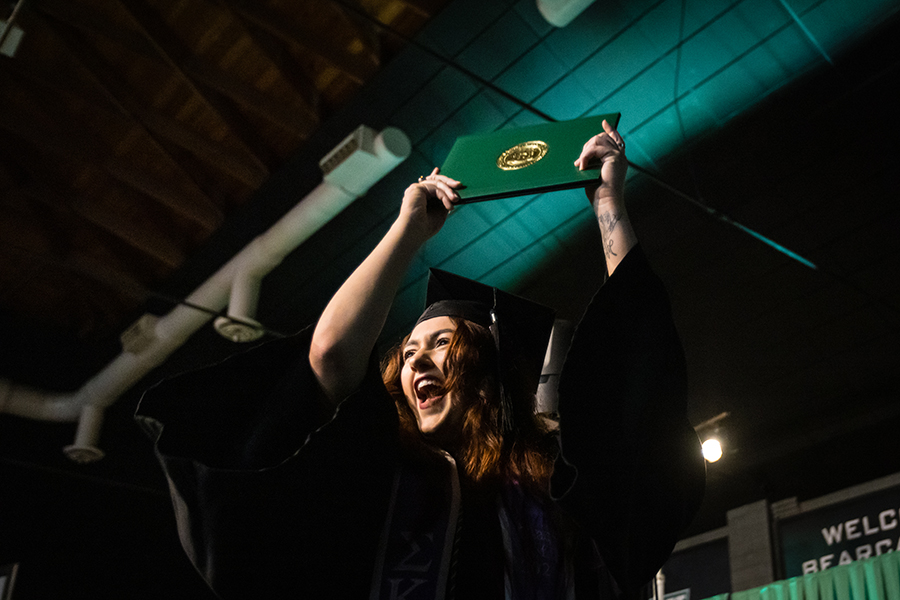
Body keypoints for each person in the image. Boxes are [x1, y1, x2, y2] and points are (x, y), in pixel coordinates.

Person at [136, 120, 705, 600]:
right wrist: (408, 231)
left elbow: (641, 376)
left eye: (439, 344)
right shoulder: (384, 480)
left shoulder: (551, 484)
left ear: (487, 372)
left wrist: (609, 201)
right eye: (408, 353)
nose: (417, 363)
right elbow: (329, 354)